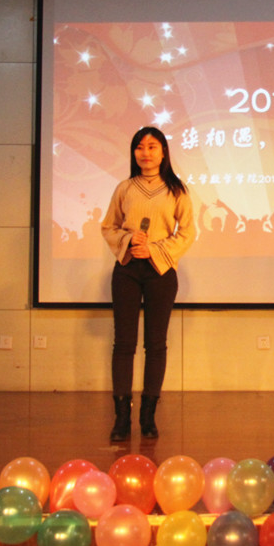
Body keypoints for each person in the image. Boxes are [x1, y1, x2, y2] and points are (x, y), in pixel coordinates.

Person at [101, 127, 195, 441]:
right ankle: (121, 417)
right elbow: (109, 226)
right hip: (127, 270)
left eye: (152, 147)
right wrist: (128, 240)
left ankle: (148, 416)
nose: (145, 153)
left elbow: (187, 233)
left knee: (155, 344)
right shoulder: (125, 188)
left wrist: (153, 249)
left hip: (161, 272)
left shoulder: (176, 190)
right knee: (123, 344)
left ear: (163, 152)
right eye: (139, 147)